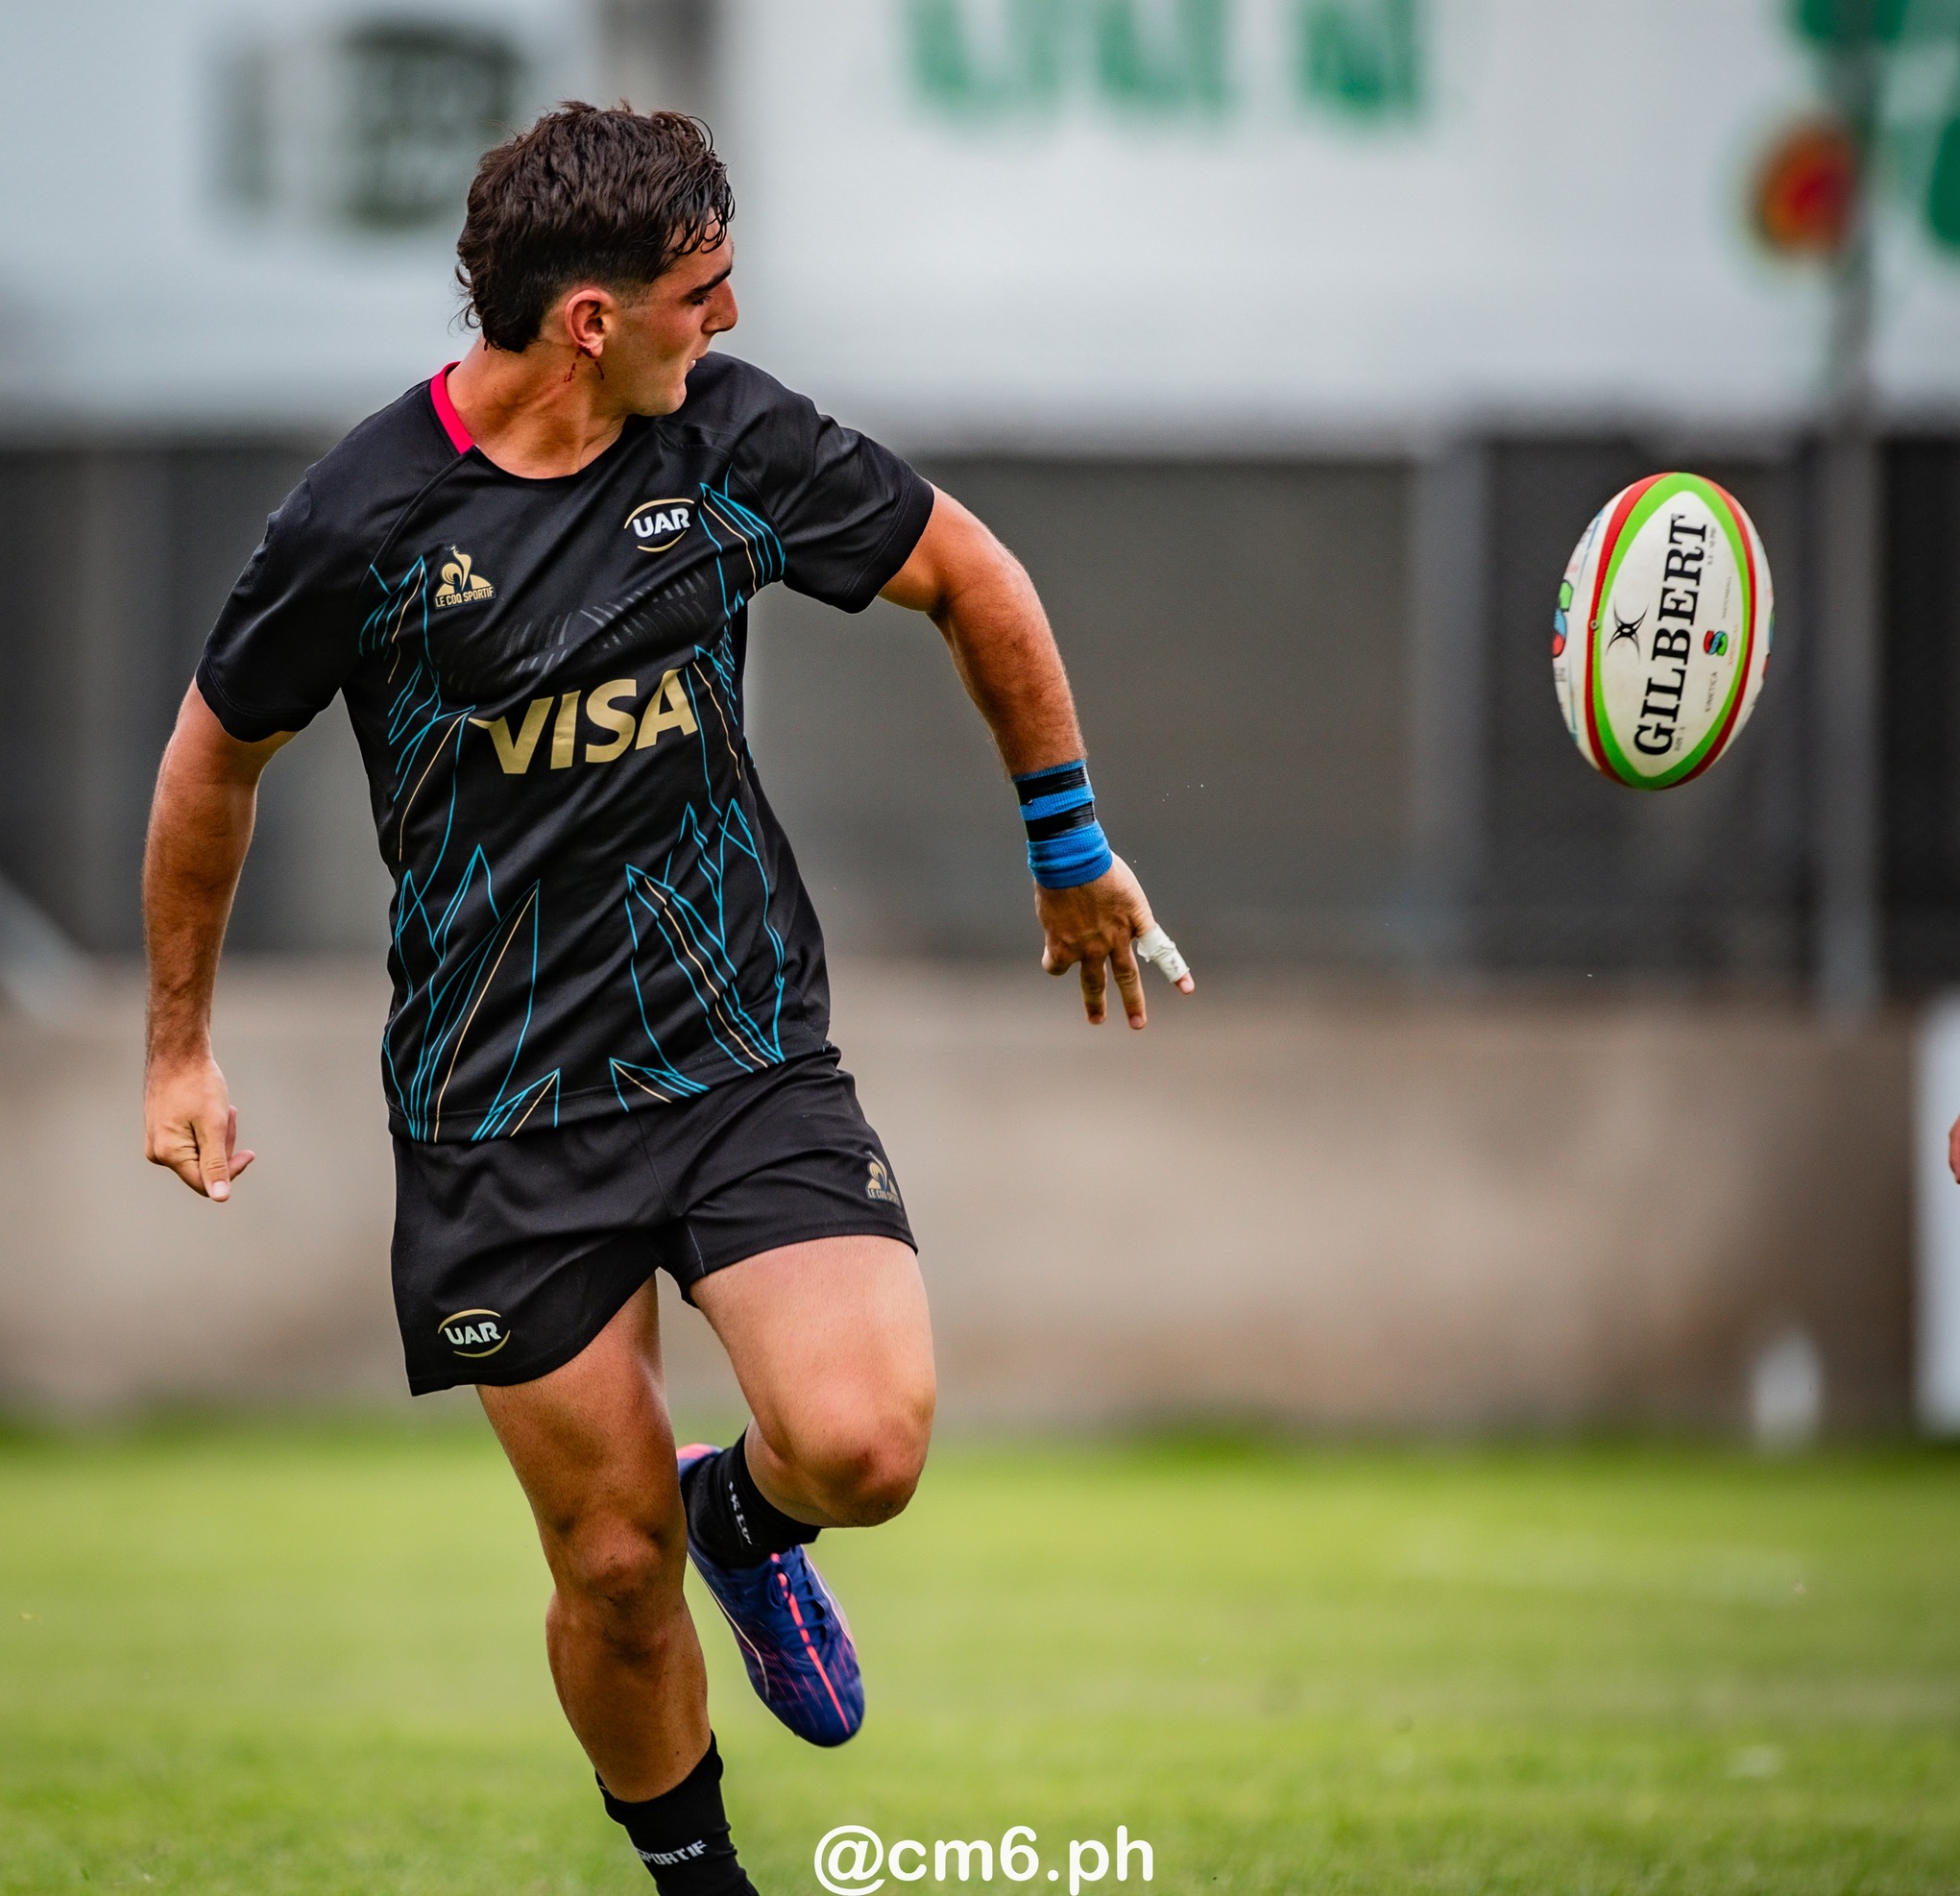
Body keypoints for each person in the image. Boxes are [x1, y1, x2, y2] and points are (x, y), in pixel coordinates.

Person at [140, 105, 1192, 1893]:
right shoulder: (365, 519)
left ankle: (744, 1512)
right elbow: (210, 762)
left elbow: (972, 576)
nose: (729, 316)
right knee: (612, 1568)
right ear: (589, 322)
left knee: (864, 1442)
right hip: (496, 1104)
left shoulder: (727, 437)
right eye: (702, 291)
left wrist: (1071, 843)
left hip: (737, 1046)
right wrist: (177, 1046)